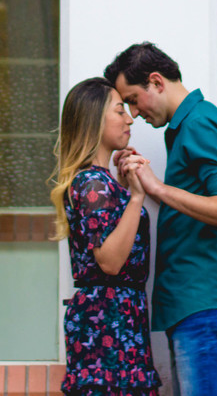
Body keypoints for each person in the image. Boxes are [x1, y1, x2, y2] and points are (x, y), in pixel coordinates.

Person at [106, 43, 217, 396]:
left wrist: (158, 189)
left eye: (133, 99)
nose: (134, 113)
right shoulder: (187, 128)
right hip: (194, 308)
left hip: (205, 305)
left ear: (156, 82)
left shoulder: (201, 123)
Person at [50, 76, 162, 396]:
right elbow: (111, 261)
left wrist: (124, 190)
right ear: (94, 122)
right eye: (119, 111)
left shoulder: (100, 182)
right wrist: (137, 197)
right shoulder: (91, 183)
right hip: (108, 325)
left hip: (116, 318)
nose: (129, 118)